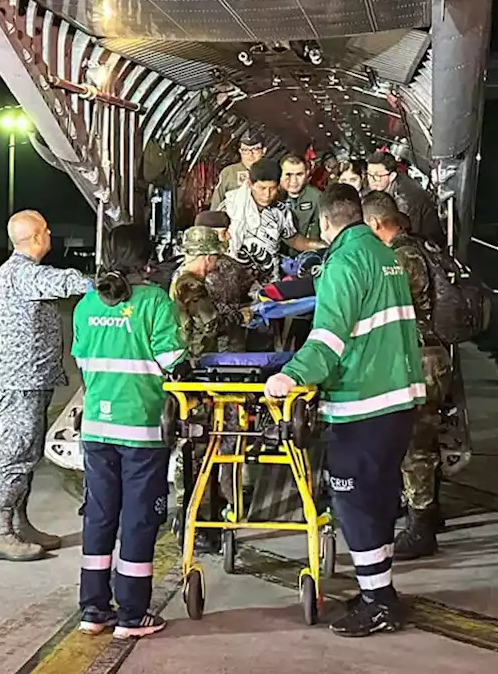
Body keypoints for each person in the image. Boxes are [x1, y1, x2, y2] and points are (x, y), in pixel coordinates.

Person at [265, 184, 424, 637]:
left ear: (325, 223)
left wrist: (290, 376)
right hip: (398, 398)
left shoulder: (343, 262)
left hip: (364, 403)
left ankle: (379, 603)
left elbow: (329, 339)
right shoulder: (383, 254)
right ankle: (379, 589)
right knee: (376, 500)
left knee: (353, 502)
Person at [73, 225, 187, 640]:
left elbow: (83, 366)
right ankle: (133, 613)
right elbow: (174, 360)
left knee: (100, 515)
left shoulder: (86, 305)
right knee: (139, 519)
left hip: (97, 429)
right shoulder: (155, 302)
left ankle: (93, 609)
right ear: (147, 260)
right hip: (141, 429)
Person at [0, 210, 91, 562]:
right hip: (20, 382)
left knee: (27, 455)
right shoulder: (22, 273)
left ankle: (19, 523)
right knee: (15, 456)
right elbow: (61, 284)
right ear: (35, 238)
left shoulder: (18, 273)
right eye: (46, 230)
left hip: (31, 379)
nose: (50, 235)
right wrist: (96, 282)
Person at [361, 191, 451, 561]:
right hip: (426, 355)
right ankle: (430, 514)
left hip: (419, 358)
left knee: (415, 444)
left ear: (375, 224)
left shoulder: (400, 257)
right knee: (424, 439)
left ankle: (421, 527)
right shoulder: (415, 248)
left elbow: (388, 303)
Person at [223, 157, 325, 281]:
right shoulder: (230, 206)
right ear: (250, 184)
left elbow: (294, 239)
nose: (267, 194)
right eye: (262, 188)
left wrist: (324, 246)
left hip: (269, 279)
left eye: (272, 189)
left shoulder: (280, 212)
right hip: (235, 277)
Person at [170, 226, 250, 357]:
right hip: (197, 357)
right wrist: (241, 316)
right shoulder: (191, 286)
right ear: (208, 258)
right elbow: (211, 326)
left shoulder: (178, 277)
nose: (217, 262)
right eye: (216, 257)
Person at [364, 151, 443, 244]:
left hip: (425, 244)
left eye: (378, 175)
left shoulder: (406, 198)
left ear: (392, 176)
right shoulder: (378, 186)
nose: (372, 180)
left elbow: (405, 232)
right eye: (369, 174)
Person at [210, 129, 267, 209]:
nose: (250, 154)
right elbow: (217, 203)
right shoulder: (229, 172)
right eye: (245, 150)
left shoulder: (272, 172)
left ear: (264, 151)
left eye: (255, 149)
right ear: (240, 151)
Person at [280, 154, 323, 240]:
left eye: (299, 175)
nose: (294, 181)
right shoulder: (271, 194)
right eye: (288, 175)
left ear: (307, 174)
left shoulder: (316, 198)